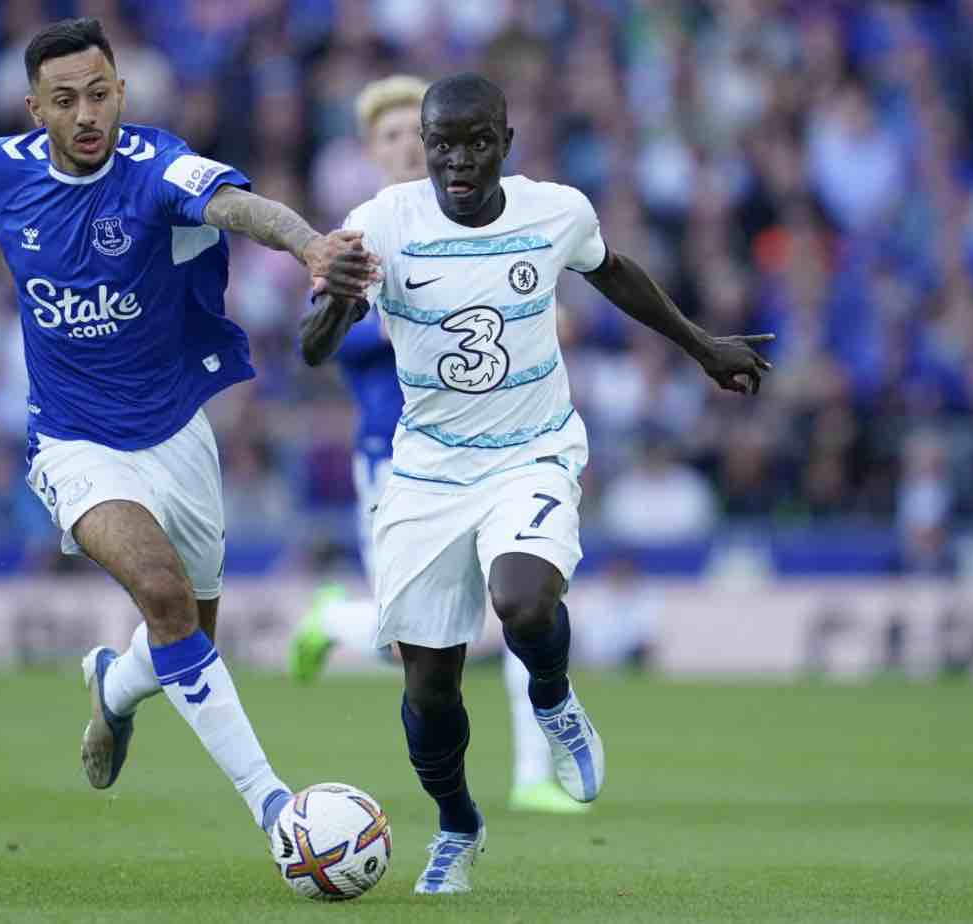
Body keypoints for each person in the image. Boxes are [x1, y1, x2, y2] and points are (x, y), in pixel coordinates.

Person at [0, 18, 378, 836]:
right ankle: (276, 812)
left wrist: (310, 249)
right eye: (65, 100)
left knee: (187, 631)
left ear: (121, 90)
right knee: (161, 593)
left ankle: (114, 688)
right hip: (73, 439)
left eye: (100, 94)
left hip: (178, 432)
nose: (87, 115)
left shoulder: (156, 165)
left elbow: (238, 207)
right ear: (34, 108)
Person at [300, 73, 772, 894]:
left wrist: (702, 347)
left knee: (522, 601)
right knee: (430, 688)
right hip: (427, 470)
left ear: (506, 143)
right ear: (426, 145)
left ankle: (553, 699)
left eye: (476, 143)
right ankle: (457, 825)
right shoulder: (381, 224)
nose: (457, 161)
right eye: (442, 144)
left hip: (533, 451)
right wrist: (337, 301)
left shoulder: (555, 211)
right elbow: (312, 348)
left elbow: (613, 272)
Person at [288, 75, 587, 816]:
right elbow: (329, 341)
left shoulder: (486, 222)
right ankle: (334, 621)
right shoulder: (371, 236)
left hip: (502, 452)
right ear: (378, 150)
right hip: (398, 459)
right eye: (391, 137)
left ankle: (533, 771)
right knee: (417, 645)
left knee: (521, 597)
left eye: (411, 133)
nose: (405, 148)